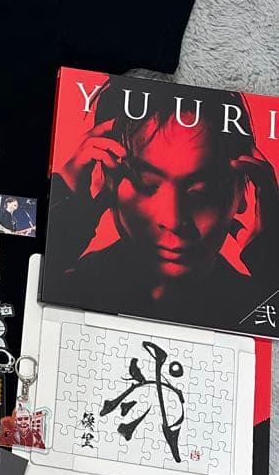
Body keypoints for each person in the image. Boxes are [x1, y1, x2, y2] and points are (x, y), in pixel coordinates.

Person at [45, 81, 279, 329]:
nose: (173, 220)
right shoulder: (65, 284)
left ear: (243, 192)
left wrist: (271, 267)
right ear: (108, 180)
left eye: (202, 192)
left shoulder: (262, 305)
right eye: (145, 184)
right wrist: (61, 214)